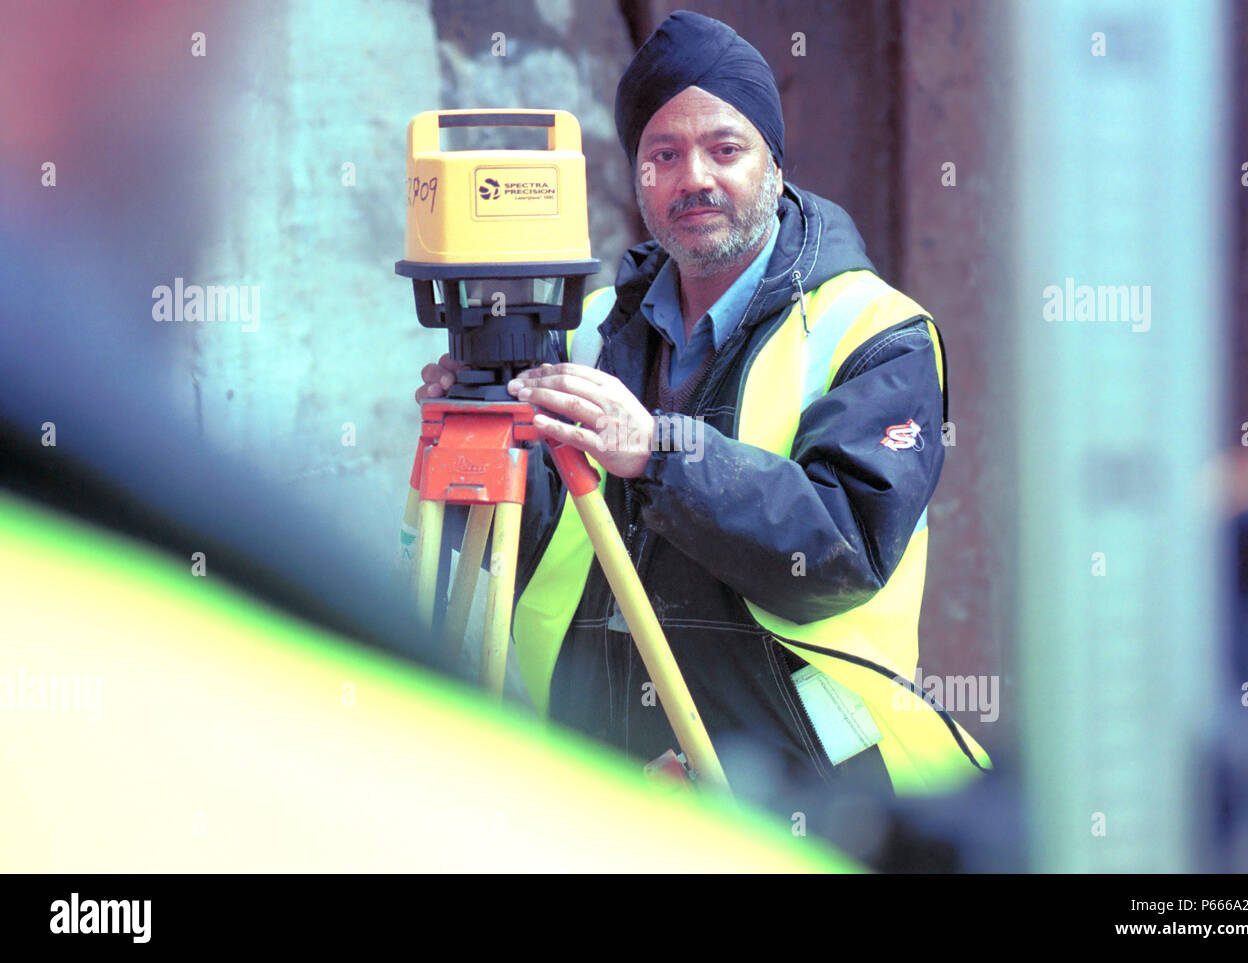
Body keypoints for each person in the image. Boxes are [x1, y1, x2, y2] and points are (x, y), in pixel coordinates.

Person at [417, 10, 989, 846]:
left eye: (725, 148)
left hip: (798, 789)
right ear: (638, 177)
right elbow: (527, 552)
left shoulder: (877, 332)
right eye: (664, 154)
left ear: (775, 163)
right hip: (601, 787)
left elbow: (842, 548)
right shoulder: (591, 332)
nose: (695, 178)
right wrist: (475, 434)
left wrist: (659, 450)